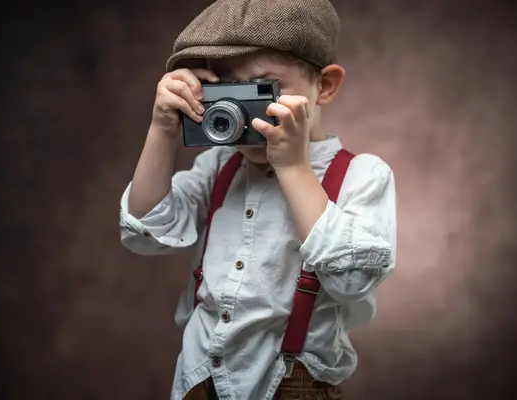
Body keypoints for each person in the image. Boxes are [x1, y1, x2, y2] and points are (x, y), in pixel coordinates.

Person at [119, 0, 397, 399]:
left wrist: (293, 166)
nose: (240, 111)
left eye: (263, 88)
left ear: (325, 86)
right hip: (199, 378)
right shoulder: (219, 166)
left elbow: (352, 280)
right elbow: (145, 232)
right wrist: (162, 129)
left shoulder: (362, 175)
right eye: (223, 90)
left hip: (293, 383)